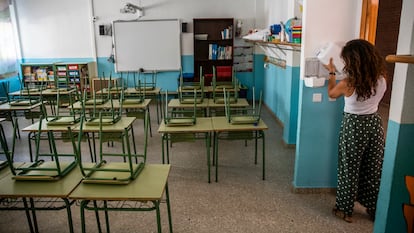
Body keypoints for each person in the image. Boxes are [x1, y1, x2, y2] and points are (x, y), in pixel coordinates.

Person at [325, 39, 387, 223]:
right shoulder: (382, 79)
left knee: (349, 168)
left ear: (353, 61)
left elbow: (331, 93)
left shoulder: (348, 83)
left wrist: (331, 72)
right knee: (373, 168)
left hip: (354, 126)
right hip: (375, 125)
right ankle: (374, 208)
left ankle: (345, 210)